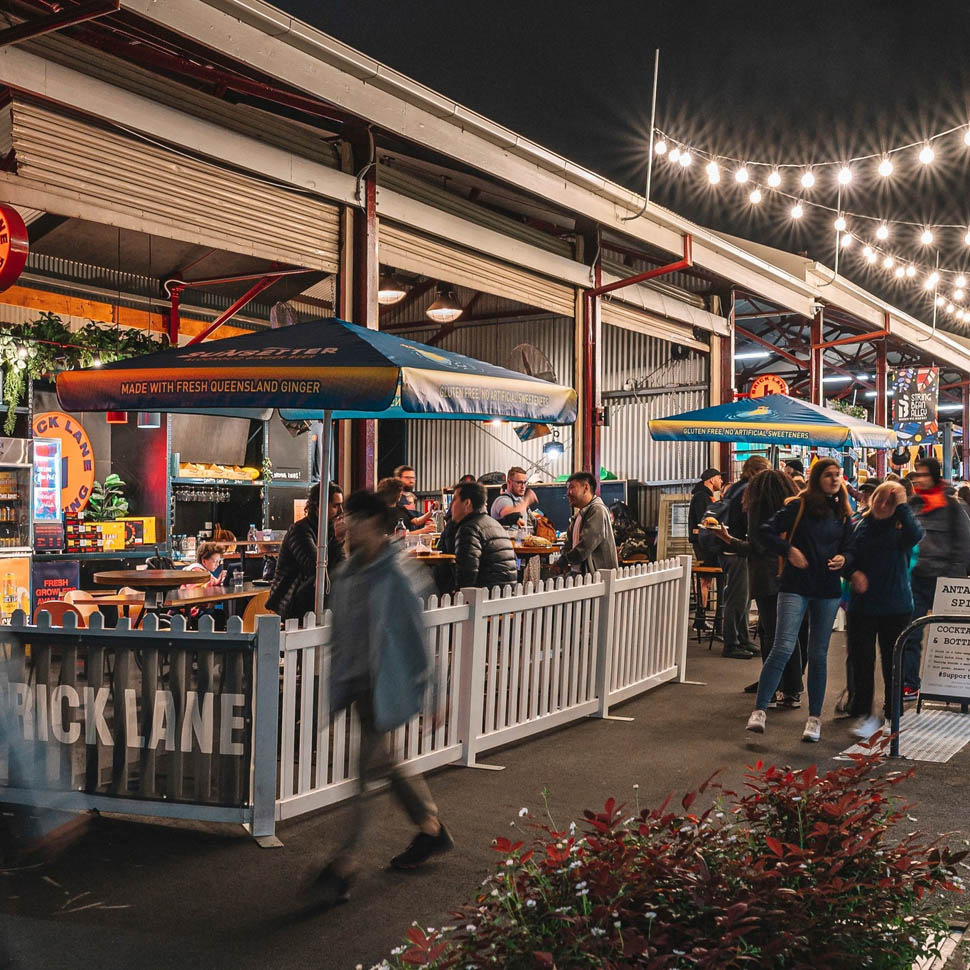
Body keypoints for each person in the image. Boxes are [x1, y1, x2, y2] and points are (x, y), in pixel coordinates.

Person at [315, 489, 452, 905]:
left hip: (383, 685)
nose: (345, 524)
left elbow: (417, 637)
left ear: (374, 524)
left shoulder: (397, 577)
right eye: (345, 517)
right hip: (356, 684)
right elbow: (342, 634)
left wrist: (434, 693)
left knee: (363, 774)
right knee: (387, 764)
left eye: (353, 518)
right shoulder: (346, 573)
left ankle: (346, 861)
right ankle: (430, 828)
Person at [746, 458, 854, 743]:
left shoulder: (843, 512)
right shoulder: (798, 506)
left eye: (838, 475)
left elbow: (851, 548)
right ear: (817, 477)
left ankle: (814, 718)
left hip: (827, 589)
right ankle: (759, 711)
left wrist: (845, 558)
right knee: (781, 646)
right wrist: (788, 550)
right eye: (829, 475)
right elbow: (765, 531)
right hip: (795, 585)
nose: (835, 479)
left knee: (818, 655)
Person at [710, 469, 803, 700]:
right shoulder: (793, 509)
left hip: (765, 577)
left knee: (770, 633)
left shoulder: (759, 511)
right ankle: (792, 687)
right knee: (789, 632)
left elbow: (756, 547)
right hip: (791, 576)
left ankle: (772, 687)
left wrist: (728, 539)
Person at [845, 481, 924, 738]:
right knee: (862, 663)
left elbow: (916, 534)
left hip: (896, 606)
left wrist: (901, 503)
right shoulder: (858, 526)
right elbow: (845, 555)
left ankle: (893, 715)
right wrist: (852, 572)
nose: (881, 504)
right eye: (879, 498)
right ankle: (864, 713)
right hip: (863, 607)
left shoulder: (901, 530)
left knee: (893, 662)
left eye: (888, 502)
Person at [902, 457, 970, 697]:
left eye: (923, 474)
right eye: (917, 474)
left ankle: (954, 685)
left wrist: (954, 579)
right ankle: (910, 683)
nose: (919, 479)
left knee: (951, 638)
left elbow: (963, 544)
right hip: (915, 579)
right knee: (911, 633)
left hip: (945, 582)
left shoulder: (953, 506)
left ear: (935, 475)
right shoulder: (913, 505)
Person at [267, 483, 345, 622]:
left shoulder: (330, 531)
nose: (341, 511)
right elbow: (315, 567)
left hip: (314, 602)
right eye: (335, 506)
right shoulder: (300, 530)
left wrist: (338, 542)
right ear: (318, 506)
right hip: (290, 601)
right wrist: (338, 542)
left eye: (341, 505)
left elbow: (341, 566)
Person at [719, 455, 770, 659]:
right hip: (736, 548)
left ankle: (743, 639)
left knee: (743, 597)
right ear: (757, 471)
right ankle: (731, 643)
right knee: (738, 598)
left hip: (733, 547)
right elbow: (745, 519)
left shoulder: (735, 488)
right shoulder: (747, 491)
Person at [450, 481, 517, 589]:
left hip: (484, 599)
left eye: (454, 499)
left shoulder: (469, 529)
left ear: (467, 503)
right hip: (504, 595)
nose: (451, 505)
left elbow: (467, 576)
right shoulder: (496, 525)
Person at [558, 471, 618, 574]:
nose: (567, 493)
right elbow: (568, 545)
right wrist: (563, 558)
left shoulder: (597, 510)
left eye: (571, 488)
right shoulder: (578, 516)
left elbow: (584, 547)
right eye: (567, 489)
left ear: (586, 487)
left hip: (596, 579)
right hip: (579, 576)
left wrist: (563, 561)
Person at [687, 467, 723, 634]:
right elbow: (706, 521)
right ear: (710, 480)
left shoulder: (705, 496)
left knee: (706, 579)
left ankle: (701, 618)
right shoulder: (702, 497)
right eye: (719, 478)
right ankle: (700, 618)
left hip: (705, 542)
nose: (721, 481)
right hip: (703, 543)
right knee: (705, 580)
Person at [394, 465, 436, 531]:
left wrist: (429, 514)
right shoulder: (395, 500)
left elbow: (415, 520)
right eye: (407, 478)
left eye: (413, 478)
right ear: (398, 479)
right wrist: (424, 530)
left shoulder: (411, 497)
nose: (411, 481)